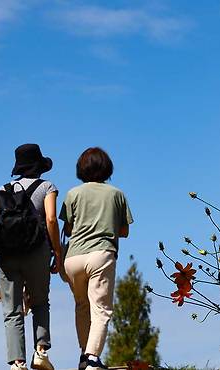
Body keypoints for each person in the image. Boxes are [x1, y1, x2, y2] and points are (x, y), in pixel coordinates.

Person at [0, 144, 62, 370]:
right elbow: (50, 219)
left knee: (12, 310)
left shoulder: (2, 189)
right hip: (36, 252)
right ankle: (41, 352)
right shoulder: (47, 186)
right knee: (40, 302)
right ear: (40, 166)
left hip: (7, 255)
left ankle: (17, 363)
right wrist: (57, 252)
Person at [60, 147, 133, 370]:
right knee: (101, 309)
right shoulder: (116, 194)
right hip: (101, 254)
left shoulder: (73, 193)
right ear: (107, 168)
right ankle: (92, 359)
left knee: (82, 306)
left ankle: (85, 354)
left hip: (73, 258)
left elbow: (69, 229)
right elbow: (124, 231)